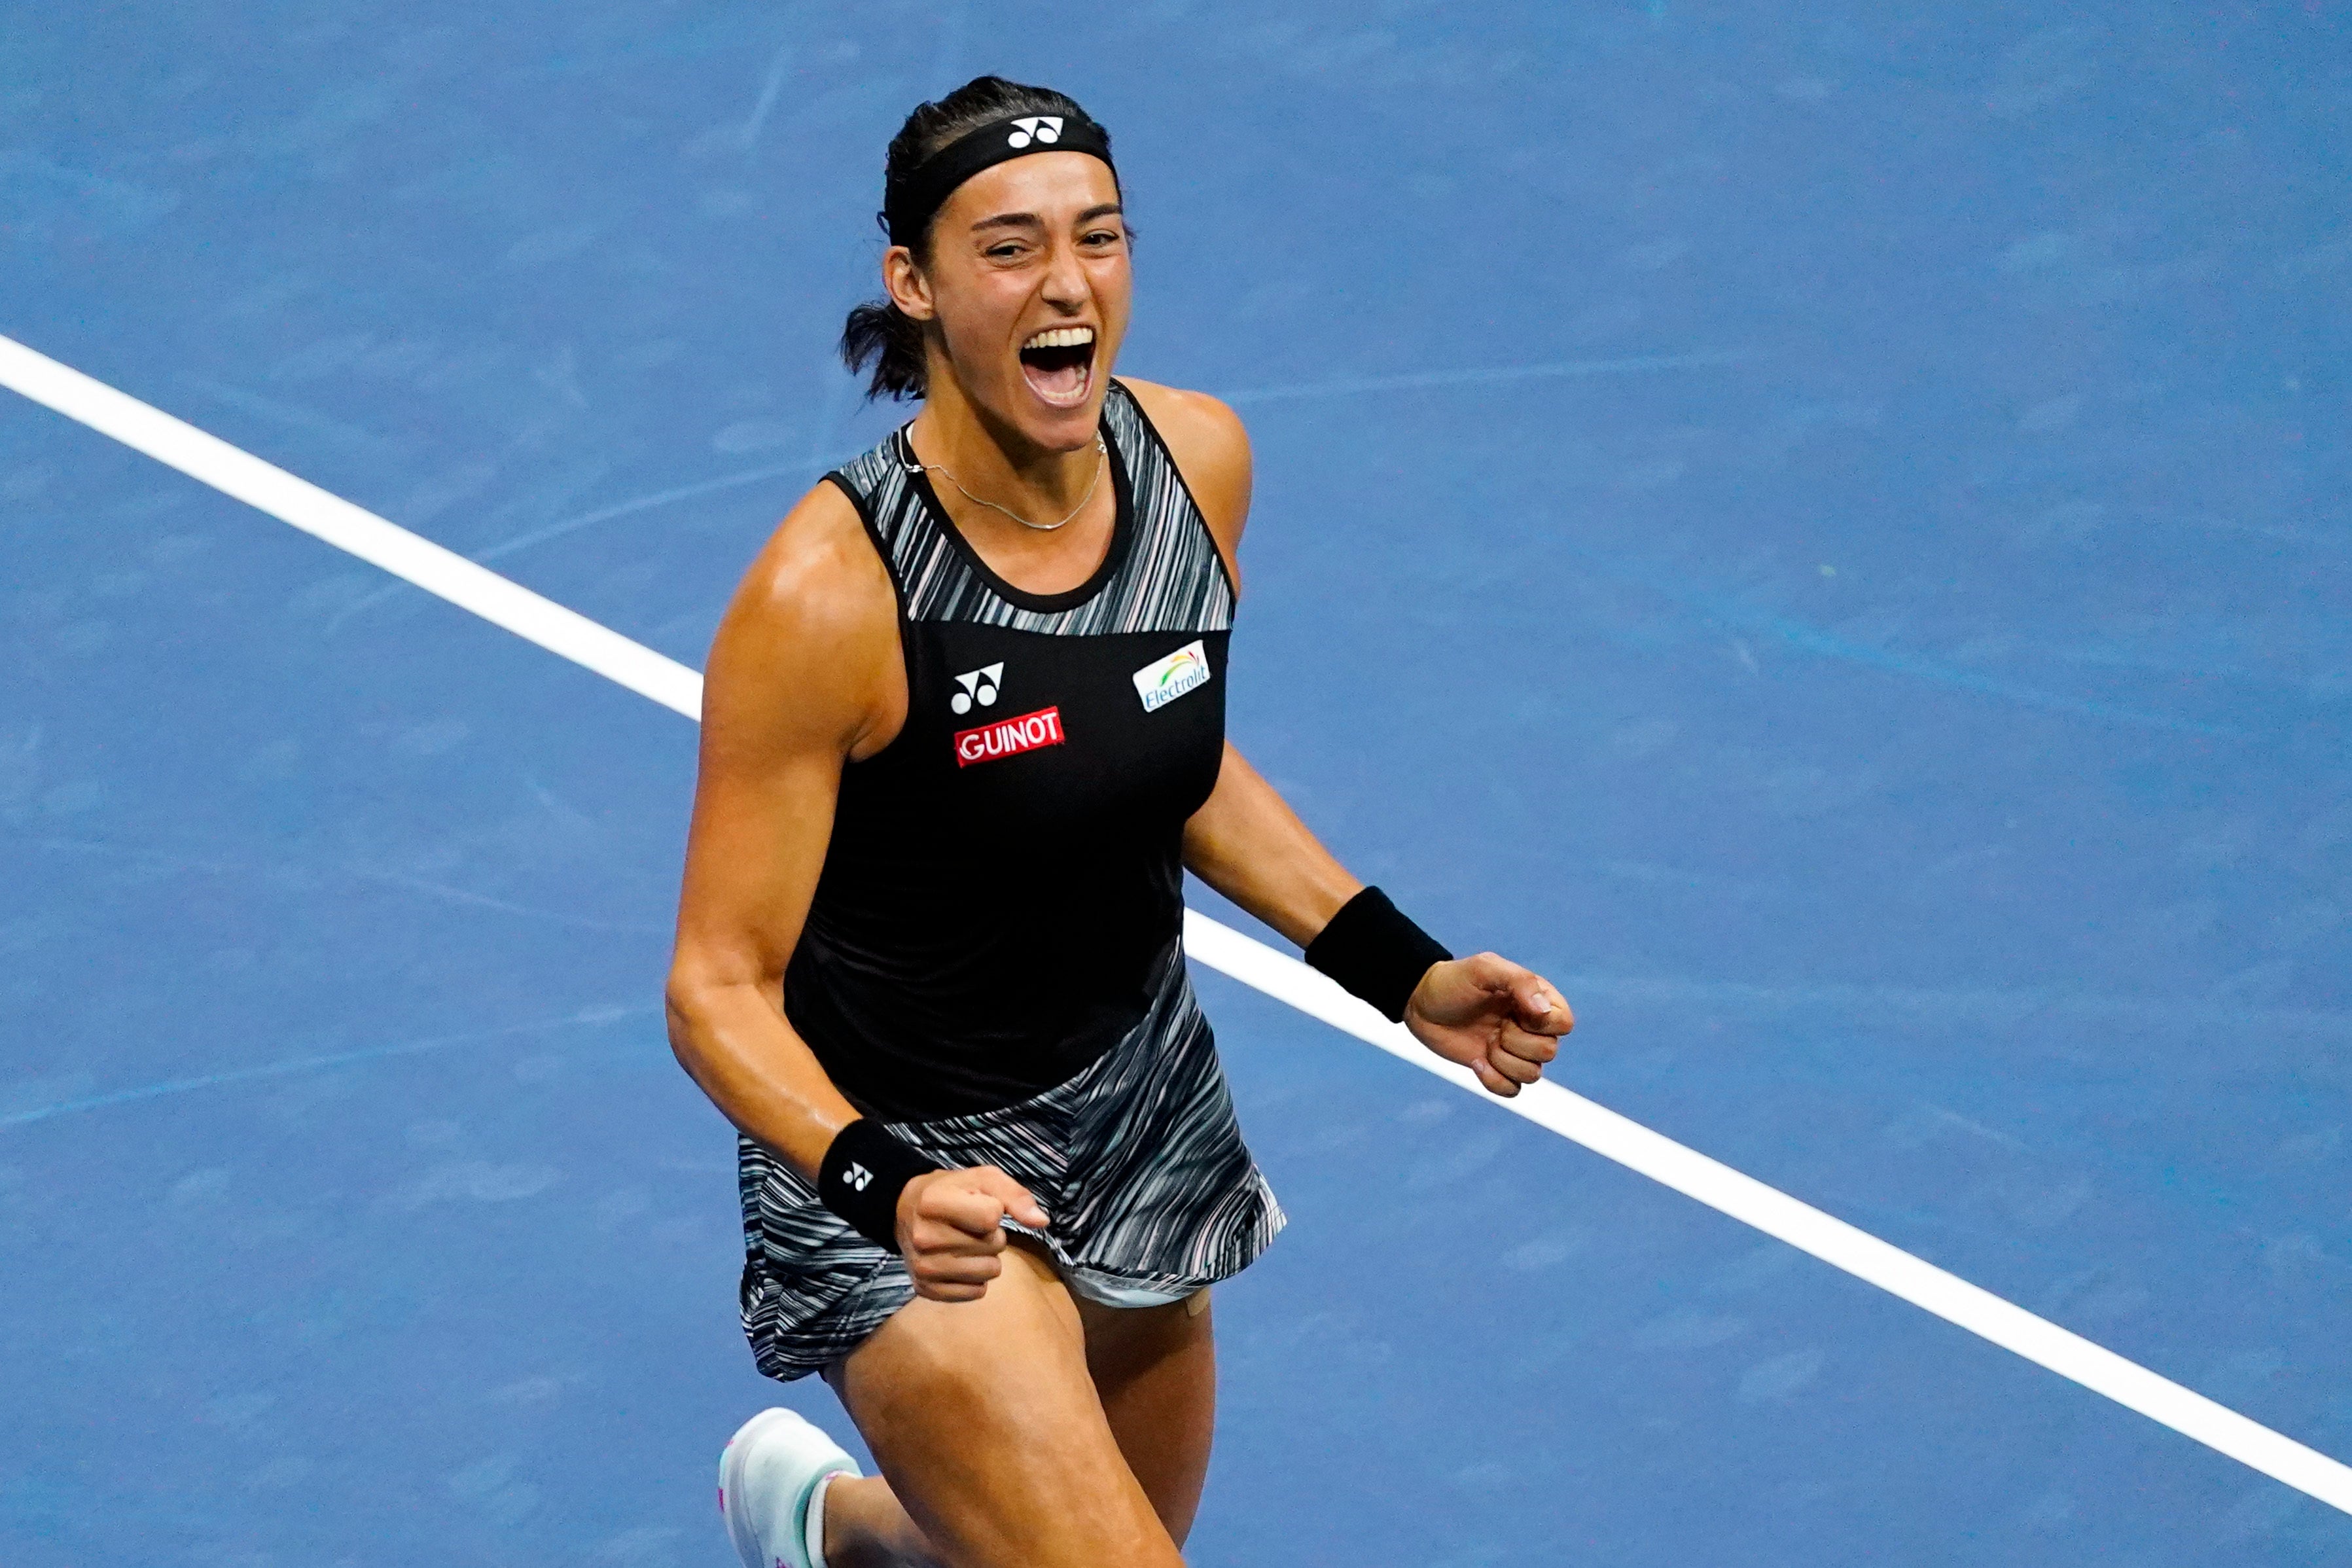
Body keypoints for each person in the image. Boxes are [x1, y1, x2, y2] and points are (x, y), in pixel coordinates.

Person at [664, 75, 1574, 1568]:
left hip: (1138, 1105)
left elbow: (1161, 757)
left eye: (1099, 237)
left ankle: (832, 1535)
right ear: (917, 284)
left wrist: (1405, 970)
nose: (1069, 281)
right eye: (1010, 247)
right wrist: (880, 1182)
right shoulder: (827, 602)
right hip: (904, 1155)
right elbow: (714, 989)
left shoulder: (1196, 466)